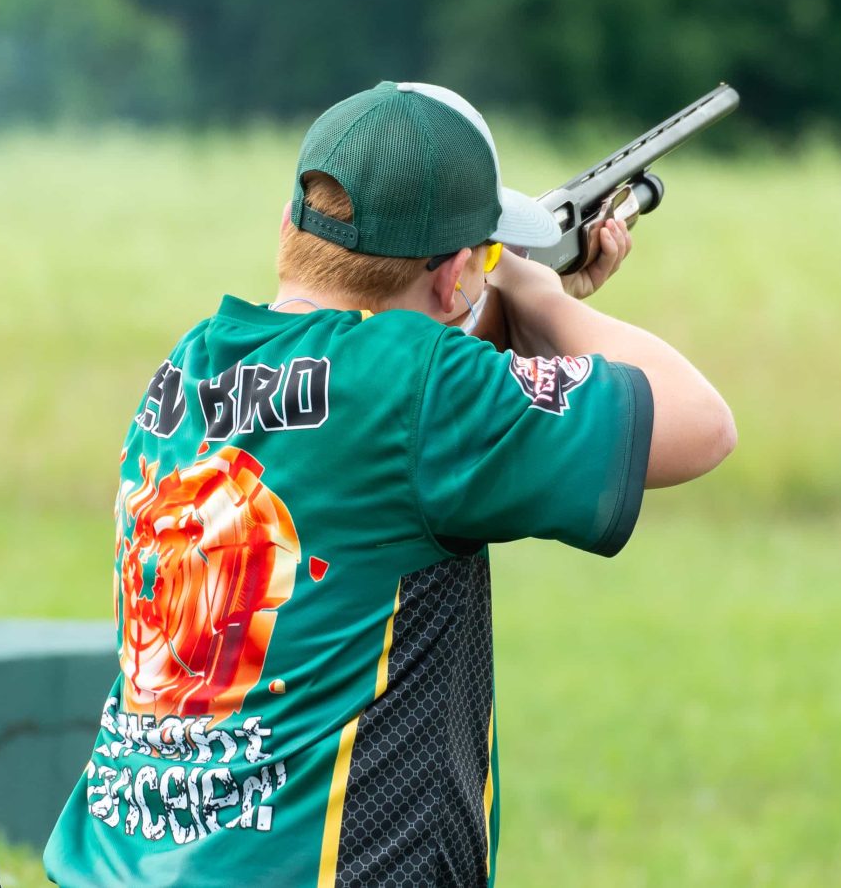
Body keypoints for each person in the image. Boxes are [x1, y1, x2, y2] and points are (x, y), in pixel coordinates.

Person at [43, 81, 735, 887]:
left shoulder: (189, 366)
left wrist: (495, 314)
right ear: (452, 279)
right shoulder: (418, 383)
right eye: (484, 260)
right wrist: (542, 299)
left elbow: (367, 429)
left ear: (288, 231)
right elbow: (701, 423)